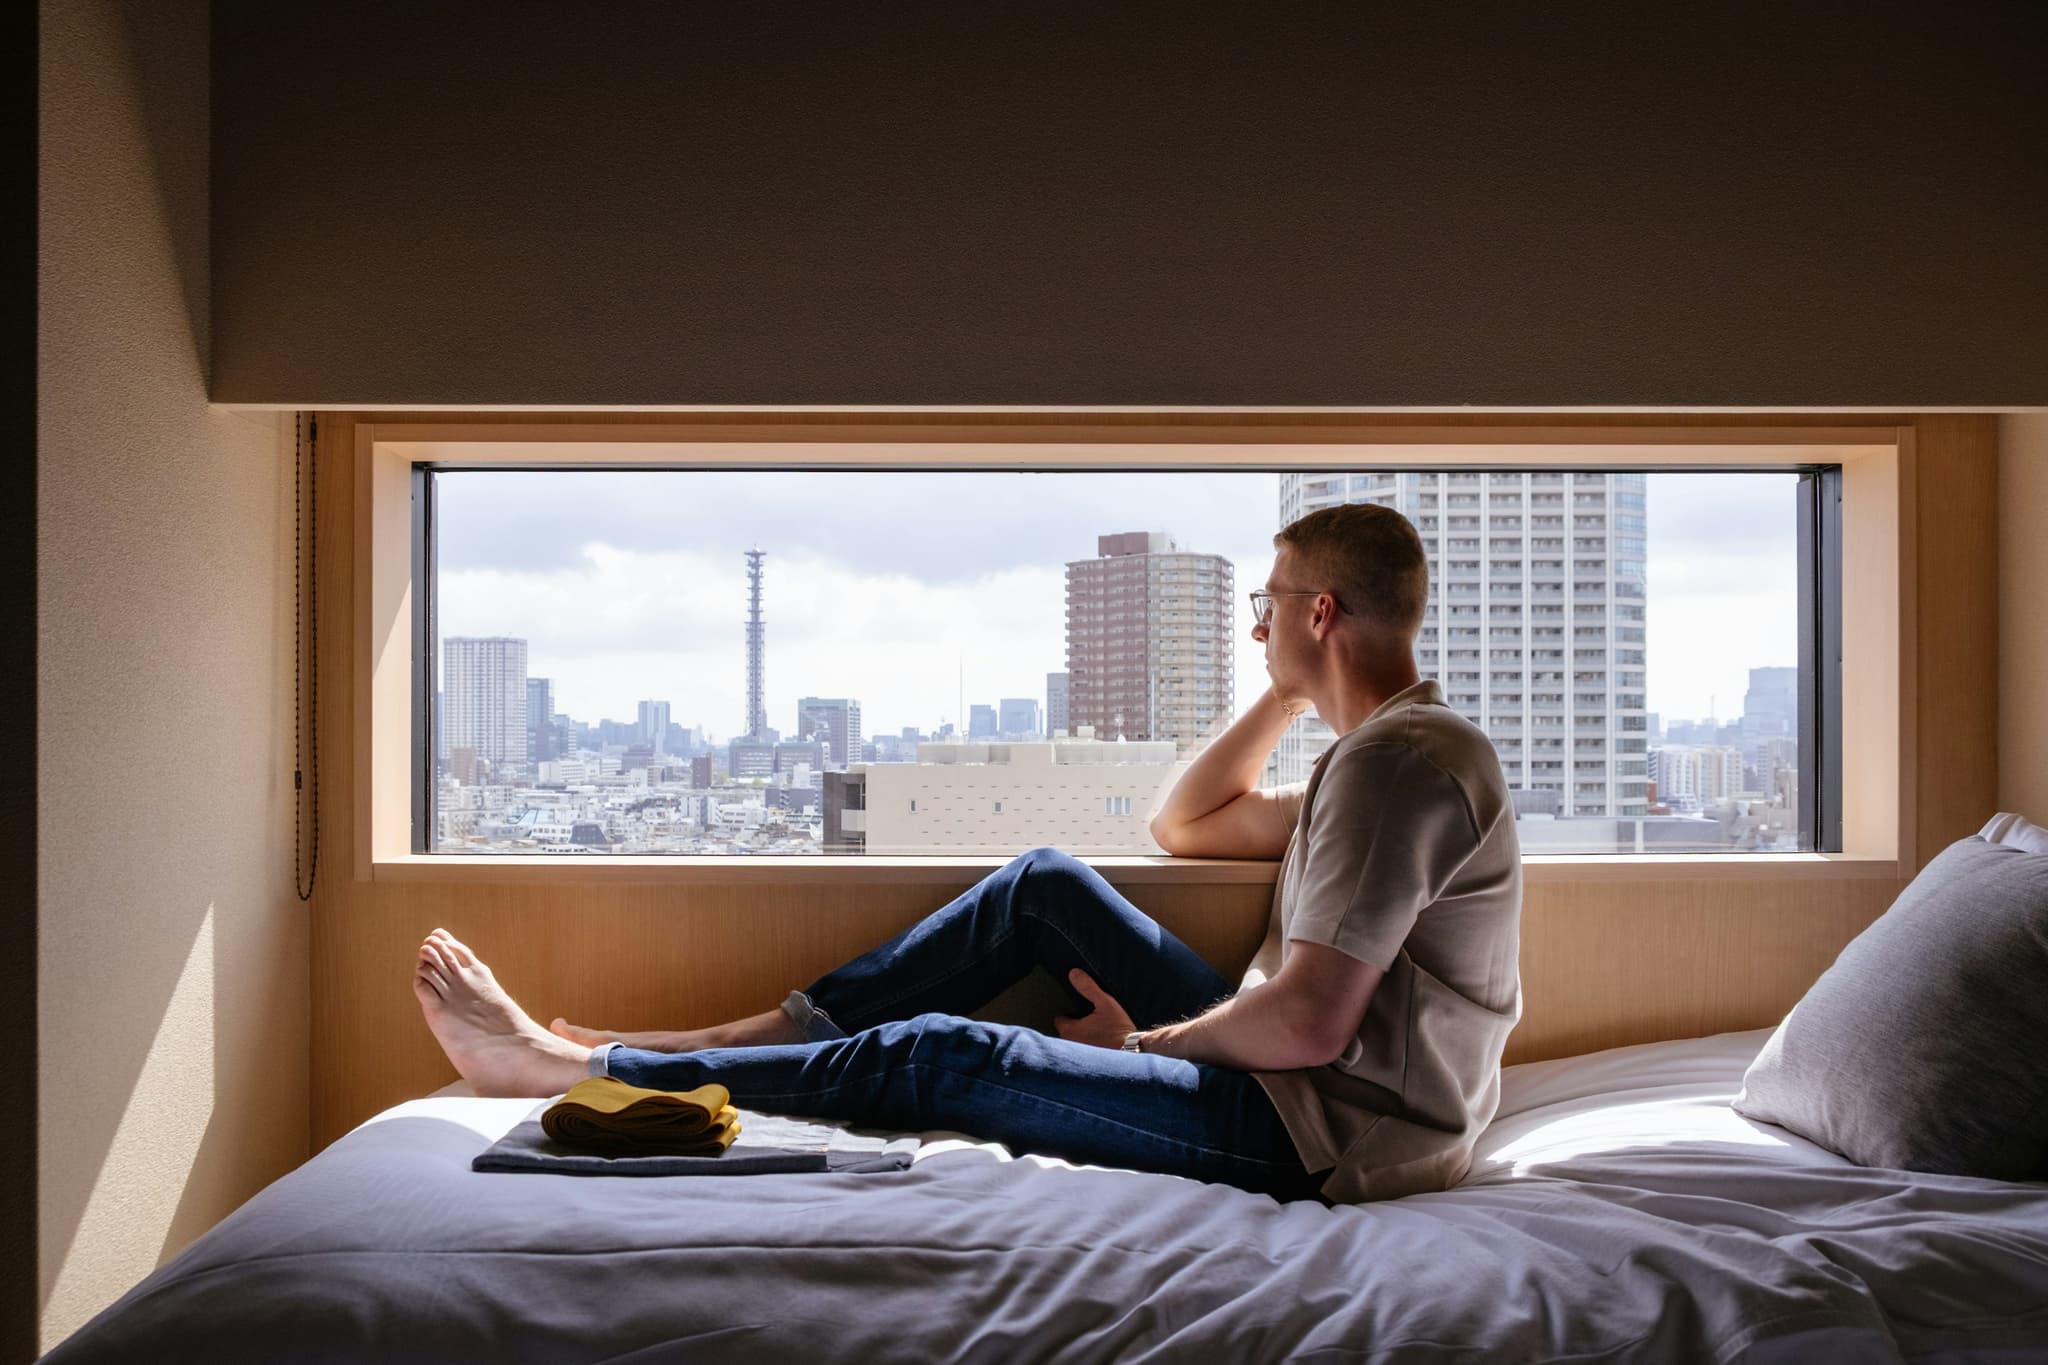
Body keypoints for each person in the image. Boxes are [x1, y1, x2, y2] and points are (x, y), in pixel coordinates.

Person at [415, 503, 1523, 1204]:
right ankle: (721, 1037)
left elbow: (1307, 1023)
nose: (1252, 626)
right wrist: (1289, 693)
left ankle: (596, 1073)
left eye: (1266, 606)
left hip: (1333, 1131)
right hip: (1319, 1080)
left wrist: (1145, 1046)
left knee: (945, 1056)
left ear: (1318, 609)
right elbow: (1183, 824)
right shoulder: (1372, 757)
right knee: (1044, 885)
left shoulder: (1394, 771)